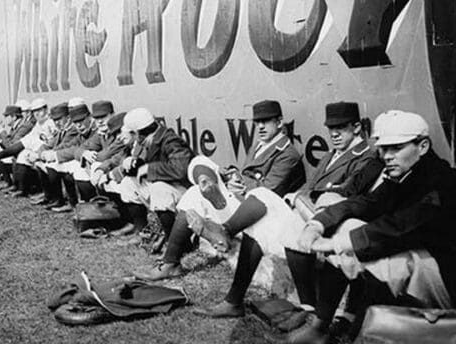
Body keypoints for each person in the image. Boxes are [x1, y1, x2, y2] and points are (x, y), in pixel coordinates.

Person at [284, 110, 456, 343]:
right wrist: (318, 224)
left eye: (396, 148)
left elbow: (398, 227)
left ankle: (360, 330)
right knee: (351, 230)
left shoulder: (442, 182)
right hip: (436, 268)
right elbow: (365, 203)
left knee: (381, 259)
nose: (387, 155)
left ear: (423, 146)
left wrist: (336, 244)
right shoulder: (410, 173)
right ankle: (323, 326)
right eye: (384, 148)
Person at [191, 102, 382, 322]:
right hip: (306, 213)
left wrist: (302, 197)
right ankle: (235, 301)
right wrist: (298, 196)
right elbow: (310, 185)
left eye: (342, 127)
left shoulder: (365, 156)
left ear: (357, 127)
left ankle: (224, 231)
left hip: (330, 221)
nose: (334, 133)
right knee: (259, 229)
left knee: (263, 194)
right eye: (330, 128)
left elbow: (348, 193)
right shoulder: (331, 155)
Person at [134, 100, 306, 281]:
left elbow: (269, 193)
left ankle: (176, 259)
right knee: (196, 184)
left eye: (266, 121)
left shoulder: (287, 153)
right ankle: (173, 260)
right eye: (257, 122)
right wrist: (232, 175)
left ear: (279, 122)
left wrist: (242, 183)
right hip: (243, 200)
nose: (261, 127)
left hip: (259, 214)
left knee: (196, 195)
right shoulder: (259, 144)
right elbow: (248, 175)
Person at [115, 107, 194, 254]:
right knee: (128, 184)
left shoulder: (171, 140)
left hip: (186, 193)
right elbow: (139, 166)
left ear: (138, 133)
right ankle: (144, 233)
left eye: (135, 134)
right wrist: (131, 164)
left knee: (159, 189)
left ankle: (175, 244)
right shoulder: (146, 141)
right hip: (169, 188)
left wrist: (148, 169)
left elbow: (180, 169)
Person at [30, 102, 81, 206]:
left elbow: (63, 146)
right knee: (41, 164)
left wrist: (41, 155)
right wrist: (38, 153)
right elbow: (49, 144)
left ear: (68, 117)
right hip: (63, 157)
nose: (57, 122)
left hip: (71, 158)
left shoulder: (73, 129)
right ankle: (50, 196)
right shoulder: (61, 130)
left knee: (54, 165)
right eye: (54, 120)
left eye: (59, 119)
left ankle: (65, 200)